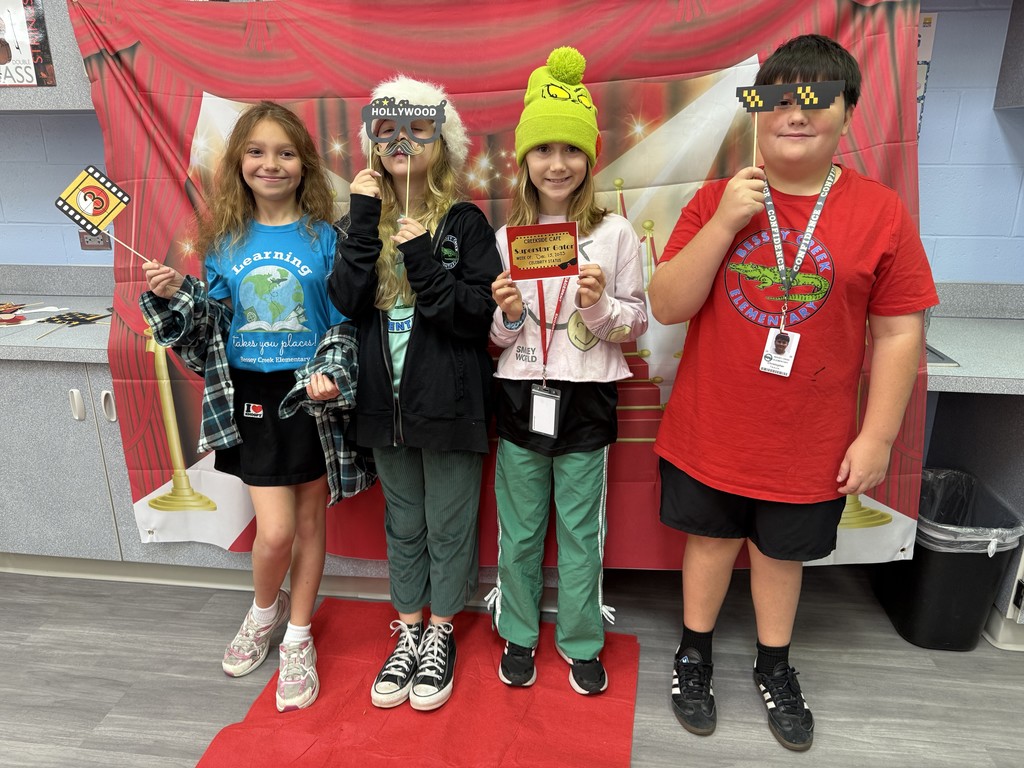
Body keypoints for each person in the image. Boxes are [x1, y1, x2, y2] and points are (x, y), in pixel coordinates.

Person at [647, 35, 938, 750]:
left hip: (810, 439)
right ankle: (694, 655)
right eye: (777, 97)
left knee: (782, 558)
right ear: (758, 111)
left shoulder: (881, 213)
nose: (793, 112)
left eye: (814, 98)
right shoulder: (717, 199)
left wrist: (876, 437)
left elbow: (900, 335)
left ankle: (775, 666)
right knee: (710, 544)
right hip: (712, 427)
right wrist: (724, 223)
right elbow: (667, 303)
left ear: (846, 112)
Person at [140, 100, 353, 713]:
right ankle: (264, 612)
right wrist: (179, 292)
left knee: (310, 526)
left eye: (285, 152)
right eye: (257, 152)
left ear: (304, 164)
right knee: (276, 530)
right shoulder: (225, 241)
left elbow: (341, 321)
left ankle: (298, 637)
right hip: (252, 397)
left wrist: (333, 373)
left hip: (311, 394)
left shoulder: (326, 239)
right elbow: (215, 323)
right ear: (238, 163)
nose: (271, 163)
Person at [328, 76, 500, 712]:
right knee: (403, 523)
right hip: (383, 400)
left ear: (442, 140)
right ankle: (406, 630)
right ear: (373, 140)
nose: (401, 141)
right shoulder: (359, 219)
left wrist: (424, 255)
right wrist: (366, 221)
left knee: (450, 524)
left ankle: (442, 632)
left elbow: (472, 318)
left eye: (417, 129)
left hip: (450, 401)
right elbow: (346, 301)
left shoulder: (464, 223)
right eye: (387, 129)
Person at [487, 46, 649, 696]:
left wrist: (600, 303)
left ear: (590, 158)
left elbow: (636, 323)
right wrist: (501, 314)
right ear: (524, 159)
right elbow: (498, 340)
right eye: (544, 149)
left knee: (582, 531)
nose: (558, 163)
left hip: (586, 398)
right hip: (521, 394)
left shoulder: (615, 234)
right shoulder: (507, 237)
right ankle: (519, 634)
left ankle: (581, 639)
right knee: (520, 529)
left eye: (572, 150)